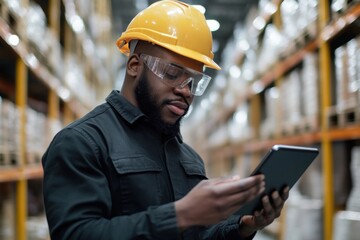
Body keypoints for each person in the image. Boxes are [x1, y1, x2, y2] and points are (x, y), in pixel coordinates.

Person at [42, 1, 289, 239]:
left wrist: (243, 226)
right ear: (134, 65)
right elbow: (76, 234)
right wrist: (180, 214)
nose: (186, 90)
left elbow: (197, 234)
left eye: (194, 82)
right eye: (172, 74)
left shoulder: (189, 159)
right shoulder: (82, 143)